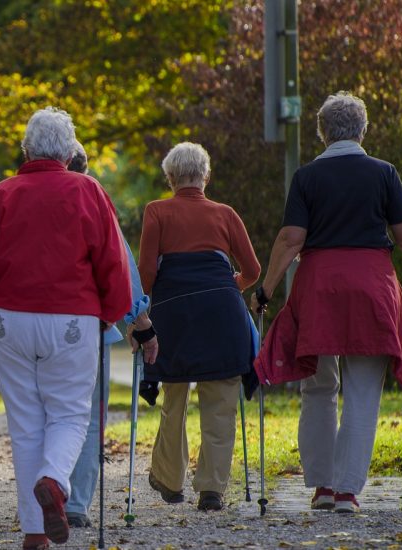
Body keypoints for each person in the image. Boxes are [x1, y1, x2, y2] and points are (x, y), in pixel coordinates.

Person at [0, 107, 133, 550]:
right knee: (69, 414)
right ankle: (54, 480)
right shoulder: (89, 191)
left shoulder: (1, 194)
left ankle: (35, 532)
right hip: (71, 317)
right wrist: (111, 312)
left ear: (26, 150)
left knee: (26, 423)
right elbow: (113, 262)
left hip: (8, 320)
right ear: (70, 153)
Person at [249, 91, 402, 514]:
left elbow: (291, 240)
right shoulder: (384, 172)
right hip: (372, 288)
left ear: (323, 132)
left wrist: (266, 289)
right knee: (363, 390)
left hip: (319, 288)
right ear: (362, 130)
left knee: (318, 385)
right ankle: (348, 491)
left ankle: (323, 486)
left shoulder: (307, 177)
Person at [138, 142, 262, 512]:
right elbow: (253, 270)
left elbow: (147, 273)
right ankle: (211, 490)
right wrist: (230, 286)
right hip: (222, 314)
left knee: (174, 397)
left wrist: (140, 313)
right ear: (206, 176)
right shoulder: (226, 214)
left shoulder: (156, 211)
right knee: (221, 403)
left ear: (170, 178)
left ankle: (170, 479)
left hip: (174, 315)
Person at [63, 143, 157, 528]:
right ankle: (76, 503)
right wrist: (141, 323)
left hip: (33, 325)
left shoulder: (21, 197)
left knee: (46, 415)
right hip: (91, 327)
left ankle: (48, 492)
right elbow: (121, 265)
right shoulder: (94, 199)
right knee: (89, 417)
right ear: (84, 169)